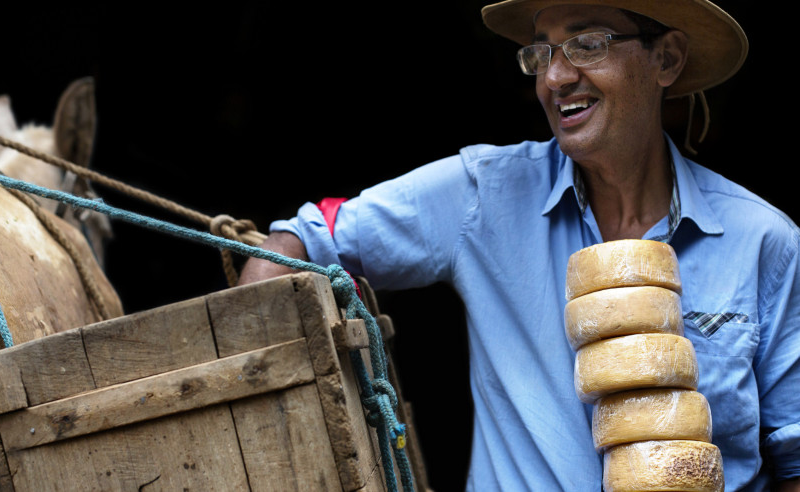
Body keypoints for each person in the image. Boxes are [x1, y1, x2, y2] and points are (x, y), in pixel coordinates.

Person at [239, 0, 800, 490]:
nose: (555, 77)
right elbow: (298, 244)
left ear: (666, 59)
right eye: (541, 53)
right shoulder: (481, 195)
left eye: (585, 44)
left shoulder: (764, 243)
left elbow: (793, 460)